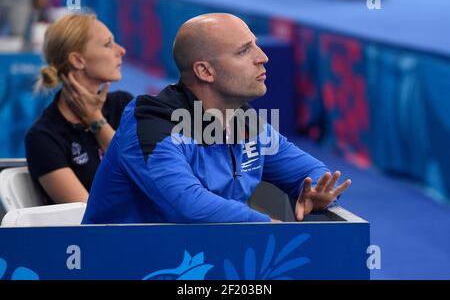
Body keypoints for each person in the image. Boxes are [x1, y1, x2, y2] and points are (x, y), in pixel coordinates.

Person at [82, 13, 351, 224]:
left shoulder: (245, 121)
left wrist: (317, 191)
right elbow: (187, 205)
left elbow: (316, 173)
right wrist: (268, 225)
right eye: (244, 51)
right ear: (205, 71)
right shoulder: (151, 123)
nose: (263, 57)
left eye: (256, 46)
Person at [25, 13, 133, 204]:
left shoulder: (123, 105)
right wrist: (96, 122)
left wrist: (95, 119)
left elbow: (145, 172)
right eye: (108, 44)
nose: (121, 50)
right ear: (78, 60)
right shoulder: (43, 137)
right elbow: (86, 217)